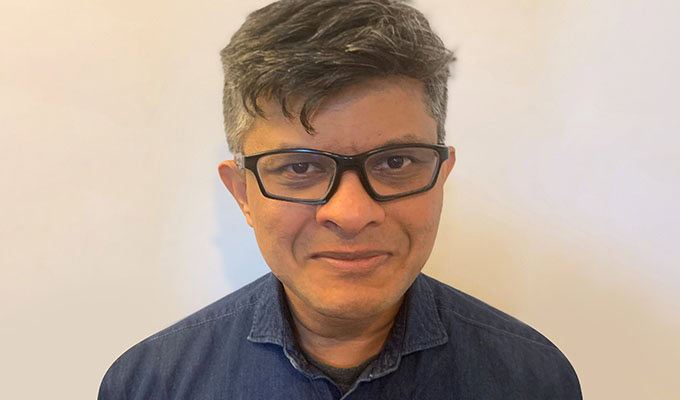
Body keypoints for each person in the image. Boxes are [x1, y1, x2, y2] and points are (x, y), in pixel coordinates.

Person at [99, 0, 582, 398]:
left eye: (395, 163)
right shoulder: (150, 386)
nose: (351, 214)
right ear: (243, 193)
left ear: (441, 178)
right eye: (300, 168)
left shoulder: (532, 380)